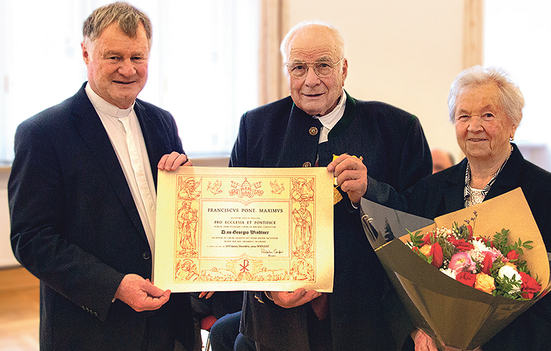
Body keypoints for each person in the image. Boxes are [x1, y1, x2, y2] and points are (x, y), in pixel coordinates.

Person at [228, 21, 432, 351]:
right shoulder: (256, 126)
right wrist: (267, 288)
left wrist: (371, 192)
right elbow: (237, 224)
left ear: (344, 69)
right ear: (287, 71)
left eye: (323, 65)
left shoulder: (398, 129)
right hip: (278, 325)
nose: (311, 80)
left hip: (368, 322)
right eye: (299, 67)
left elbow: (422, 227)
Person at [8, 3, 195, 350]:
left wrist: (190, 190)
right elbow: (30, 238)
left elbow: (179, 215)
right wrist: (114, 286)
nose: (128, 69)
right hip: (93, 329)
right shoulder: (43, 133)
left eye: (137, 57)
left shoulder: (162, 122)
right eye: (113, 57)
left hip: (170, 322)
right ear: (85, 53)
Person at [404, 66, 551, 350]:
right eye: (464, 116)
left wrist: (485, 344)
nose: (474, 126)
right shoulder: (429, 190)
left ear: (514, 122)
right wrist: (419, 330)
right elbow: (404, 277)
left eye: (488, 115)